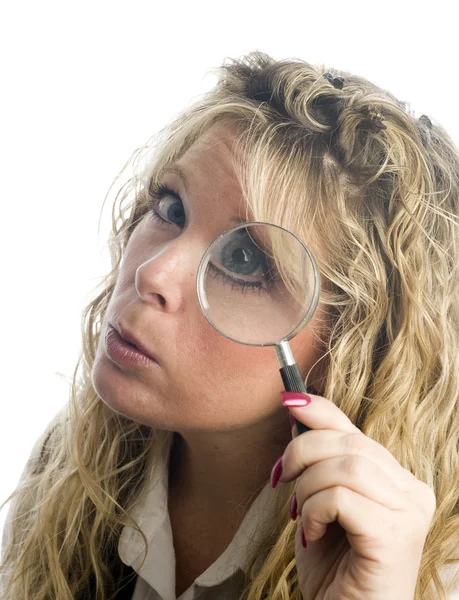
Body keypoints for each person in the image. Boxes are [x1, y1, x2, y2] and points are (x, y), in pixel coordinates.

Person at [1, 50, 459, 600]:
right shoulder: (74, 461)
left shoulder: (422, 570)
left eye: (244, 260)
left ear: (354, 348)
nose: (153, 271)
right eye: (171, 209)